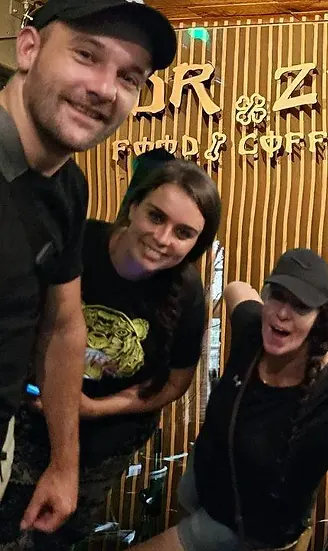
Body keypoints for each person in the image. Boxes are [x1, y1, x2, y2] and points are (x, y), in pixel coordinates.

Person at [0, 0, 177, 535]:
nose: (105, 88)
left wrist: (64, 464)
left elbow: (63, 324)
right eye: (86, 55)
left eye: (129, 77)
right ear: (29, 48)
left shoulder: (69, 185)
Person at [0, 150, 221, 549]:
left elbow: (174, 383)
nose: (162, 238)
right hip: (26, 420)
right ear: (133, 206)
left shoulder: (187, 294)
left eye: (183, 233)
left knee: (53, 537)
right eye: (156, 216)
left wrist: (94, 407)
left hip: (103, 443)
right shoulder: (77, 243)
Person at [131, 248, 328, 551]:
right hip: (200, 484)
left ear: (320, 318)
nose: (282, 312)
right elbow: (236, 288)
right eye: (278, 295)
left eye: (300, 305)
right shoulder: (252, 329)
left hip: (246, 531)